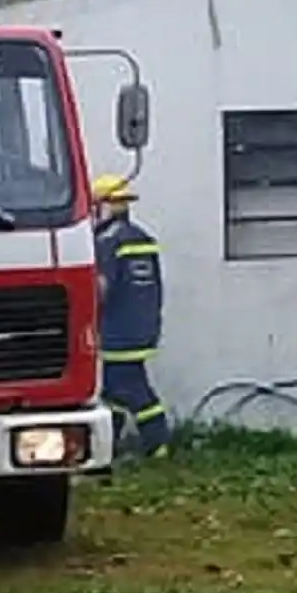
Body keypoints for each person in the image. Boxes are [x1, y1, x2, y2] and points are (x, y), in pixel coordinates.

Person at [91, 174, 171, 458]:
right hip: (144, 326)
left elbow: (101, 288)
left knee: (128, 387)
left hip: (117, 330)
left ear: (103, 206)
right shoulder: (143, 238)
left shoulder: (106, 242)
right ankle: (110, 442)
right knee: (113, 388)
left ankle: (156, 441)